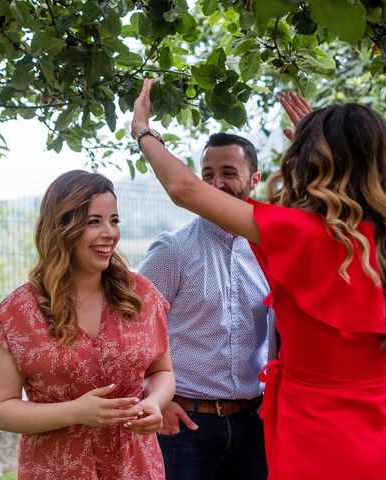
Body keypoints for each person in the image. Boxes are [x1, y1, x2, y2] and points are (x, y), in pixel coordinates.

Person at [130, 79, 386, 479]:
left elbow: (184, 188)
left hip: (314, 430)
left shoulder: (302, 234)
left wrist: (143, 132)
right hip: (381, 429)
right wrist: (325, 141)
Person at [0, 170, 175, 480]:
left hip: (136, 467)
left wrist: (153, 403)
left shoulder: (141, 295)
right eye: (94, 221)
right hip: (56, 469)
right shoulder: (16, 314)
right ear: (62, 227)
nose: (109, 233)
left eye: (114, 220)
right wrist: (76, 412)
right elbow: (1, 410)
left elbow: (161, 372)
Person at [138, 132, 273, 480]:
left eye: (229, 172)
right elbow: (131, 327)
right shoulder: (173, 251)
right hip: (185, 426)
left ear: (254, 180)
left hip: (252, 424)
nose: (216, 183)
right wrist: (155, 398)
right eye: (207, 173)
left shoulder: (269, 252)